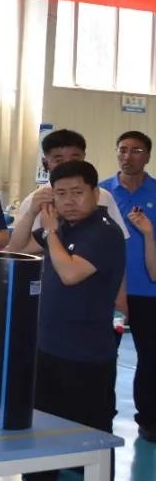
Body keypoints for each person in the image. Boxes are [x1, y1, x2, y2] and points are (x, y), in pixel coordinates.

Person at [19, 161, 126, 481]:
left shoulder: (105, 231)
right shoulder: (62, 226)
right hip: (48, 348)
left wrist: (51, 232)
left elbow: (70, 273)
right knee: (42, 428)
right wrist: (31, 213)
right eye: (61, 194)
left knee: (93, 436)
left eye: (77, 192)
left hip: (87, 356)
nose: (69, 201)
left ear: (95, 193)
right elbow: (16, 247)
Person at [100, 130, 156, 442]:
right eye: (122, 149)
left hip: (149, 292)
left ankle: (149, 420)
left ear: (147, 156)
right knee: (104, 356)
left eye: (136, 150)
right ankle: (100, 416)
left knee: (151, 360)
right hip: (111, 293)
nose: (127, 156)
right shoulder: (102, 193)